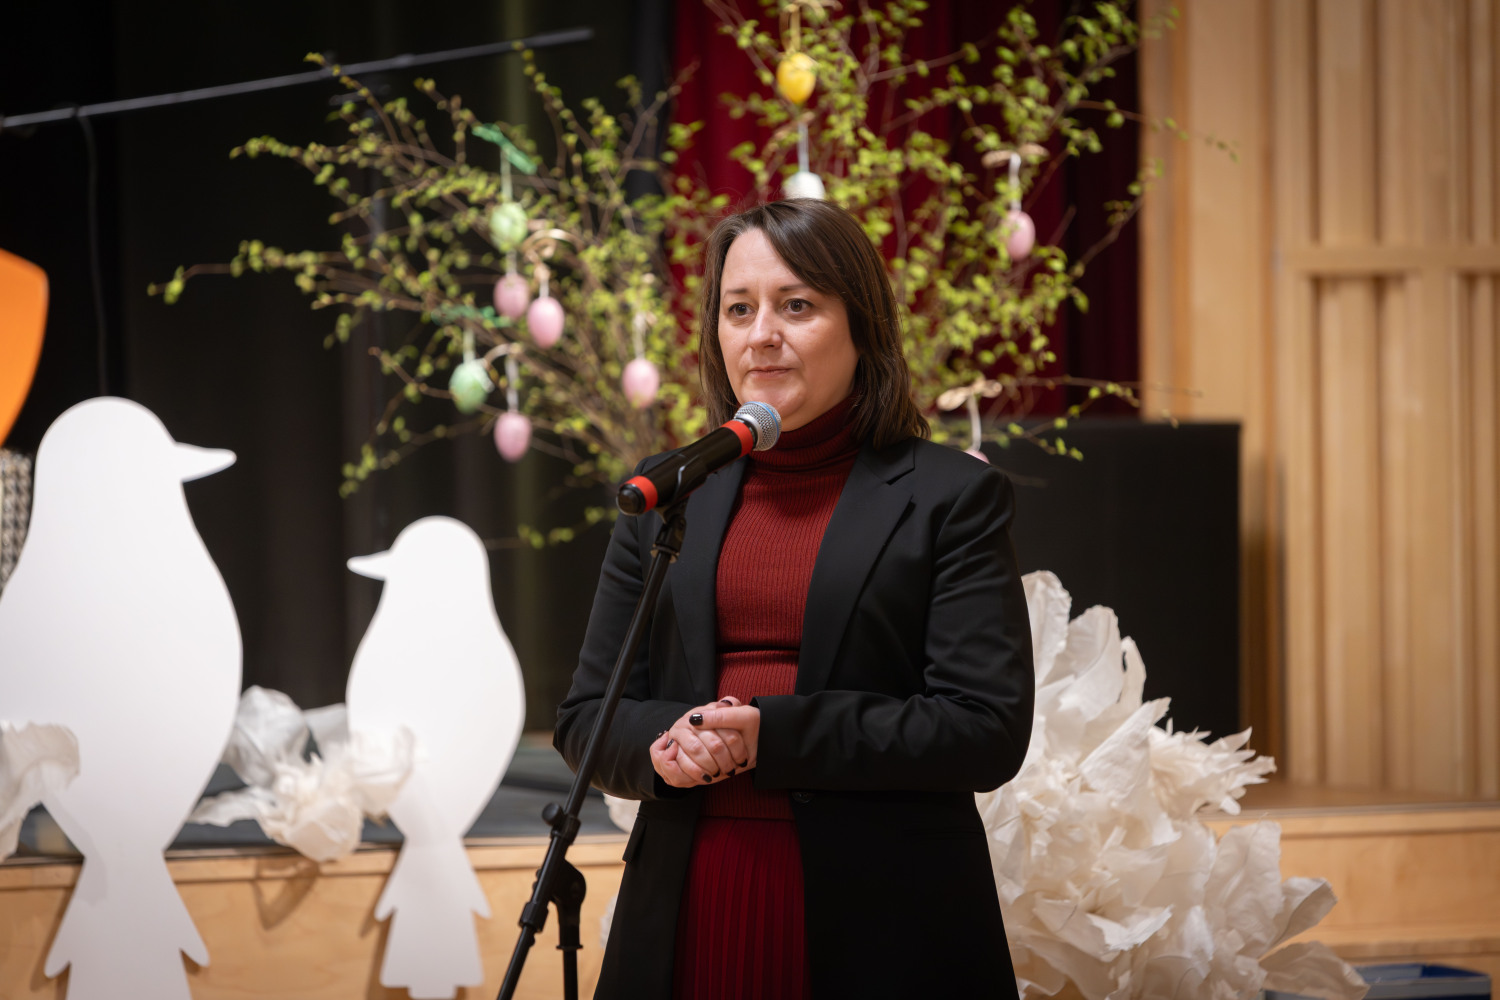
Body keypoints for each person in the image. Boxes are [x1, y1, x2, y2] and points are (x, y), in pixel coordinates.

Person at [555, 199, 1035, 999]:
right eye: (738, 309)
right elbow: (585, 719)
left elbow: (983, 730)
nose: (761, 334)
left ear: (862, 327)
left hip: (887, 914)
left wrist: (771, 735)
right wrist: (667, 745)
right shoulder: (669, 495)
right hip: (689, 897)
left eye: (797, 305)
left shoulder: (952, 496)